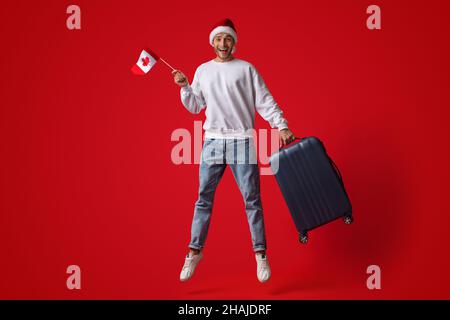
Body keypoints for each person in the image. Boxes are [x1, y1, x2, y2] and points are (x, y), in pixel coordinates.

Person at [172, 18, 295, 283]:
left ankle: (260, 254)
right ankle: (194, 252)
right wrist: (184, 87)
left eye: (227, 39)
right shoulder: (203, 71)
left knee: (252, 200)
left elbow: (265, 102)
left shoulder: (246, 69)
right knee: (203, 199)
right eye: (218, 39)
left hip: (242, 141)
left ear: (234, 43)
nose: (223, 43)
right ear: (212, 42)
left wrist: (281, 126)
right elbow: (195, 106)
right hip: (213, 141)